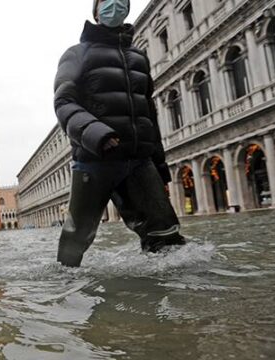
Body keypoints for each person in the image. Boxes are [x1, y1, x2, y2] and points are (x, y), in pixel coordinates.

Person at [53, 0, 185, 267]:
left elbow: (150, 112)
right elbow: (63, 101)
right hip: (94, 159)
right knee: (76, 238)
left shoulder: (139, 58)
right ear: (96, 10)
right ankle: (65, 292)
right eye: (106, 1)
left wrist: (160, 168)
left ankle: (169, 295)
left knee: (166, 233)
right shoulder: (77, 53)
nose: (114, 5)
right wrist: (96, 134)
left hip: (139, 161)